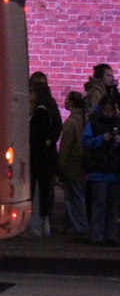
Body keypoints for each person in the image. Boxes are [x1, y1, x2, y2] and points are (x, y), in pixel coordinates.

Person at [82, 96, 120, 246]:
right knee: (100, 205)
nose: (109, 113)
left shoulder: (115, 123)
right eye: (106, 110)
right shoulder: (94, 123)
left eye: (111, 111)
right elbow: (85, 142)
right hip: (99, 170)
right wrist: (101, 139)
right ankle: (98, 236)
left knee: (110, 206)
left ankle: (110, 236)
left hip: (113, 170)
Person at [28, 81, 62, 237]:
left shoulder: (39, 113)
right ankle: (44, 225)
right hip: (47, 157)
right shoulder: (51, 111)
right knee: (45, 190)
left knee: (36, 192)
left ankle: (36, 226)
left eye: (32, 92)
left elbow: (35, 137)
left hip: (38, 158)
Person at [57, 91, 89, 238]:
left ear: (71, 103)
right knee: (79, 196)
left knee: (73, 197)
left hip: (72, 166)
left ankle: (80, 227)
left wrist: (61, 166)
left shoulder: (70, 123)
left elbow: (65, 147)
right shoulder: (84, 120)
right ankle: (77, 226)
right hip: (82, 165)